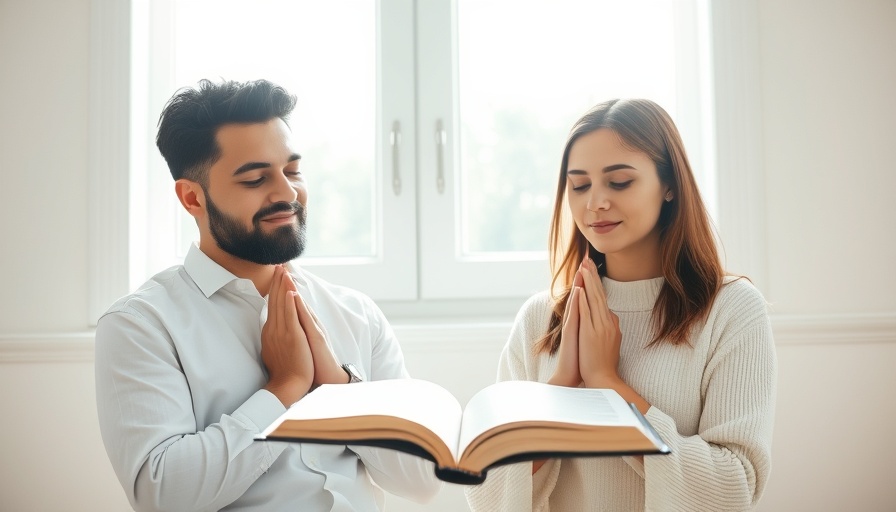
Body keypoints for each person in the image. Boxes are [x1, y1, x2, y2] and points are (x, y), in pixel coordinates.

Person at [94, 79, 442, 511]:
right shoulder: (141, 326)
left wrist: (338, 388)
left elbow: (423, 481)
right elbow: (162, 496)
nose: (287, 193)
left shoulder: (356, 313)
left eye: (293, 171)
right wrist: (284, 390)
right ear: (191, 198)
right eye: (257, 179)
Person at [465, 98, 777, 512]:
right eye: (579, 185)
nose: (594, 203)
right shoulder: (541, 318)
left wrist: (607, 385)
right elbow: (486, 495)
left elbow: (734, 486)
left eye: (619, 182)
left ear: (670, 185)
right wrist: (563, 387)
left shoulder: (731, 310)